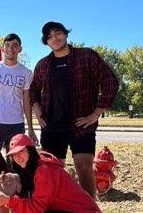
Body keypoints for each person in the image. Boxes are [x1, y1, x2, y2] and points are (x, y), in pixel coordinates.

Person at [30, 21, 119, 198]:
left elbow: (110, 82)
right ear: (46, 42)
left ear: (66, 34)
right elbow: (33, 90)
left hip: (81, 125)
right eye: (49, 37)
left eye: (58, 33)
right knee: (52, 171)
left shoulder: (86, 56)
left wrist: (95, 114)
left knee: (84, 168)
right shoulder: (43, 65)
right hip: (52, 126)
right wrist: (38, 113)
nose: (54, 38)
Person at [0, 134, 107, 213]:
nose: (17, 157)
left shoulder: (44, 170)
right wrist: (5, 185)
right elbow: (27, 194)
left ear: (30, 150)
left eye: (21, 151)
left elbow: (38, 206)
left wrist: (9, 201)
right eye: (14, 154)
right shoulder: (32, 167)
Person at [0, 33, 37, 150]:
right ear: (2, 48)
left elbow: (26, 101)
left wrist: (30, 128)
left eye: (15, 45)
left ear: (20, 49)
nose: (11, 48)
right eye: (8, 45)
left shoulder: (26, 72)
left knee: (15, 163)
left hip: (16, 124)